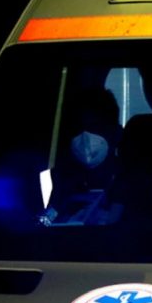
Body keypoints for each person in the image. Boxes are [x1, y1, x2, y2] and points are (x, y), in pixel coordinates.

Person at [43, 87, 124, 225]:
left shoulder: (129, 180)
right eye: (78, 129)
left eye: (96, 127)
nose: (86, 138)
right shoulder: (60, 178)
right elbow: (45, 220)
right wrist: (60, 211)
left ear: (116, 133)